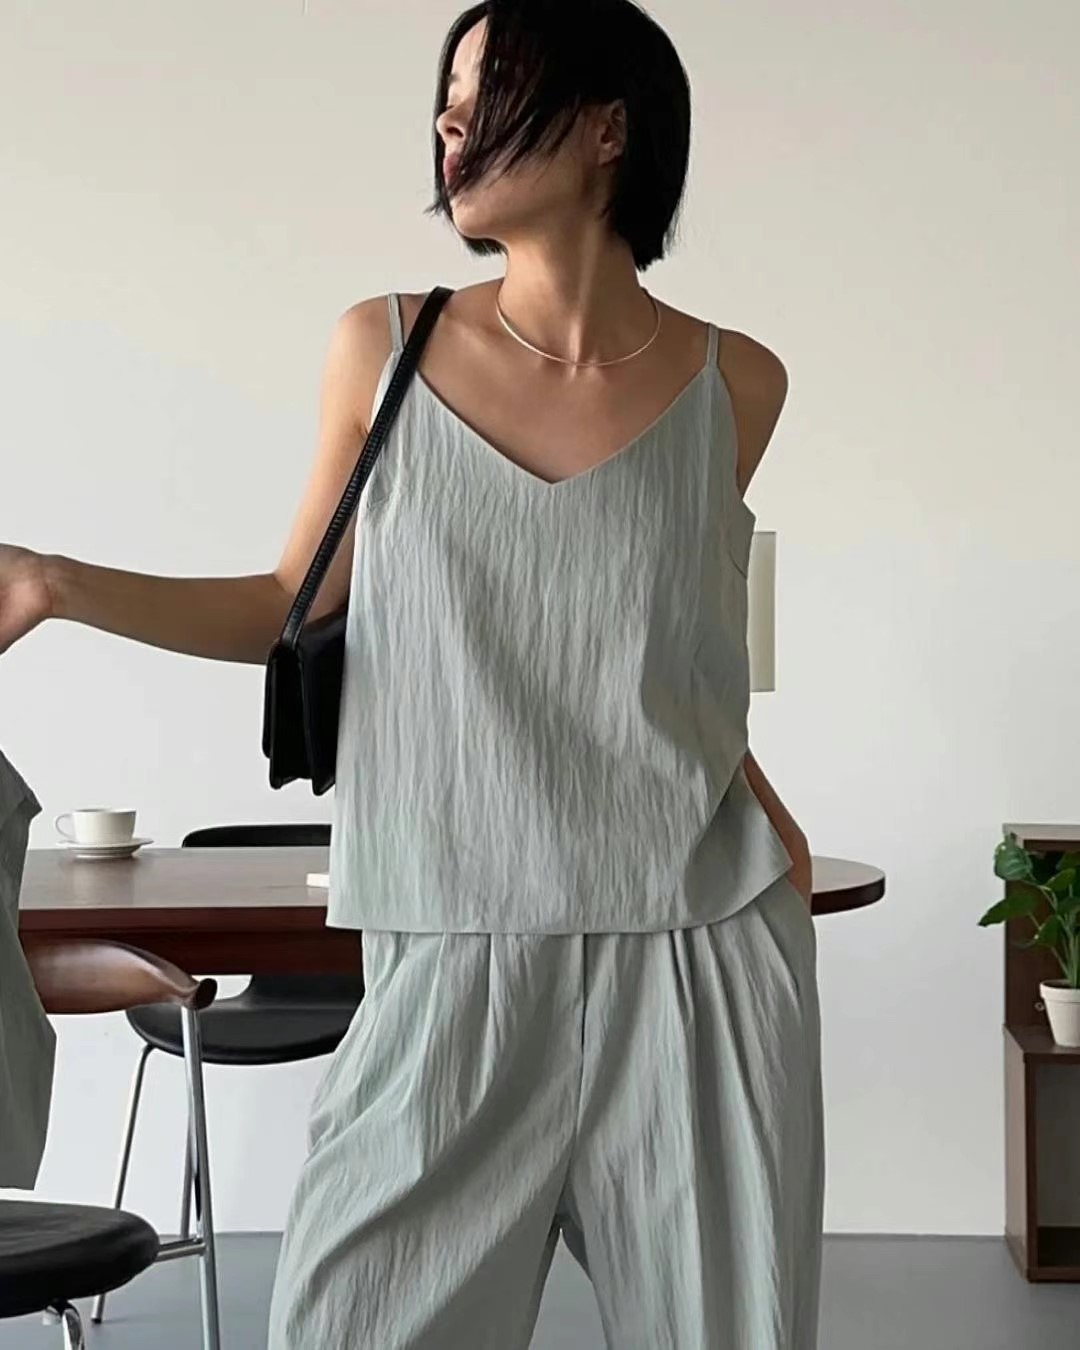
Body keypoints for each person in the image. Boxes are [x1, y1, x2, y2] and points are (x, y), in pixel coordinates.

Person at [0, 1, 823, 1345]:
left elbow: (671, 655)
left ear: (608, 127)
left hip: (696, 954)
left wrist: (770, 834)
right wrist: (53, 583)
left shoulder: (739, 385)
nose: (449, 116)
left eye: (489, 86)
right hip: (449, 950)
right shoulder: (383, 348)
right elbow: (286, 605)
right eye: (447, 90)